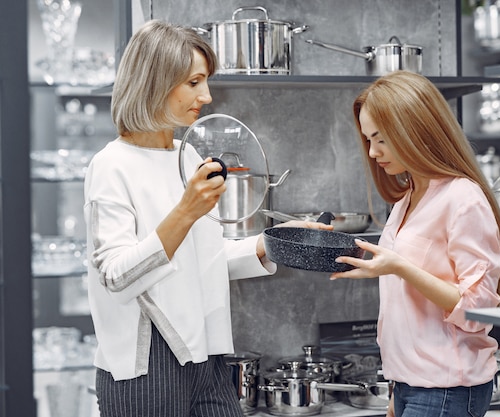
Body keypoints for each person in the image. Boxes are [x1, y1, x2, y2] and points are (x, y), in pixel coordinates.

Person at [83, 20, 330, 417]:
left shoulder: (188, 156)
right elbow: (115, 276)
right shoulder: (111, 165)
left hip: (207, 352)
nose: (207, 95)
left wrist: (272, 241)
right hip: (146, 364)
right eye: (194, 82)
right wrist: (185, 211)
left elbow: (201, 260)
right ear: (155, 82)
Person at [331, 70, 500, 417]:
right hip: (411, 386)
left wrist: (399, 266)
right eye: (369, 139)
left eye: (381, 139)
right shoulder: (408, 199)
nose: (372, 152)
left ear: (414, 129)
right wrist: (397, 390)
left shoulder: (462, 198)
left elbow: (478, 309)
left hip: (447, 389)